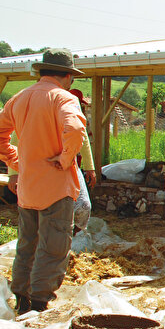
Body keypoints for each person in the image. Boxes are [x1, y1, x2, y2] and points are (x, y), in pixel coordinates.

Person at [0, 48, 87, 315]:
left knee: (27, 243)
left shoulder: (20, 97)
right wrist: (65, 159)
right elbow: (75, 129)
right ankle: (38, 305)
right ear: (67, 76)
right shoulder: (64, 99)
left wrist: (17, 161)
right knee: (53, 246)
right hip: (55, 187)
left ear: (41, 72)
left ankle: (21, 299)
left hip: (28, 188)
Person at [67, 89, 97, 234]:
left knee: (83, 205)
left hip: (75, 163)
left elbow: (86, 141)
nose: (83, 107)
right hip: (63, 163)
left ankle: (75, 235)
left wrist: (89, 167)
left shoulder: (81, 118)